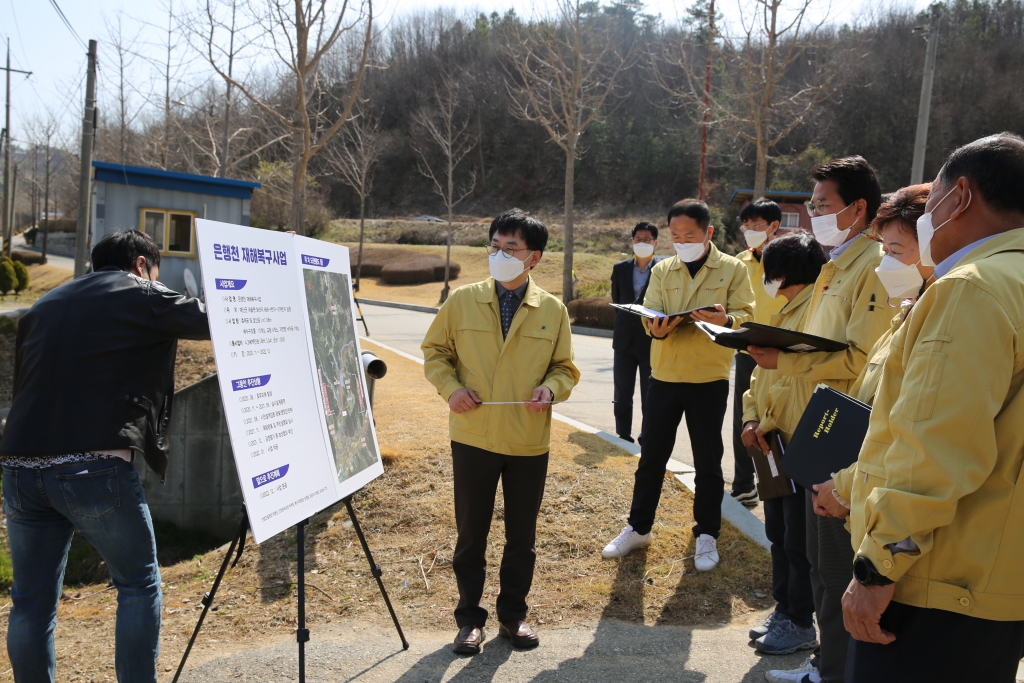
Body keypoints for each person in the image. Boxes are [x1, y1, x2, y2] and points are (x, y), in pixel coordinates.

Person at [825, 134, 1024, 682]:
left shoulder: (970, 289)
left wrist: (876, 567)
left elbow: (934, 446)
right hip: (998, 576)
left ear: (959, 196)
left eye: (931, 197)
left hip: (937, 579)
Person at [0, 230, 210, 683]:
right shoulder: (140, 291)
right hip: (91, 468)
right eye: (155, 273)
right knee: (138, 585)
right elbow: (217, 322)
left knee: (31, 602)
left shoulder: (45, 304)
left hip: (19, 467)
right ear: (141, 265)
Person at [749, 156, 891, 683]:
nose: (814, 214)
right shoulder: (834, 265)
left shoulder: (874, 265)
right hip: (816, 422)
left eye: (823, 205)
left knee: (833, 565)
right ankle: (824, 663)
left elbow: (861, 358)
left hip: (844, 428)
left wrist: (783, 359)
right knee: (815, 558)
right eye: (811, 206)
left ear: (859, 207)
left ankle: (834, 671)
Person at [421, 208, 580, 656]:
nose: (500, 254)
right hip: (473, 435)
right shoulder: (462, 300)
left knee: (521, 537)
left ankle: (514, 614)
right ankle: (469, 619)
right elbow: (435, 353)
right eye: (494, 245)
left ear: (534, 257)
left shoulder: (552, 309)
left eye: (511, 248)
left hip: (529, 439)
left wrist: (551, 388)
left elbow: (565, 368)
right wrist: (450, 390)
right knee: (471, 533)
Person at [601, 198, 754, 571]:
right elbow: (648, 311)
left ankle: (706, 534)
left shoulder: (732, 269)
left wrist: (726, 319)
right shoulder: (663, 269)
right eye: (676, 235)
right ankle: (638, 528)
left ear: (709, 233)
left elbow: (747, 316)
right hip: (664, 377)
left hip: (709, 378)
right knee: (651, 456)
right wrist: (656, 326)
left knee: (708, 460)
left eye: (690, 235)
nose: (682, 241)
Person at [740, 231, 827, 657]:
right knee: (777, 532)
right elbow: (758, 377)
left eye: (769, 274)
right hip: (771, 441)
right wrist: (751, 417)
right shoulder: (781, 312)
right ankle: (784, 609)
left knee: (798, 540)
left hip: (800, 442)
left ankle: (799, 620)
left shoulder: (818, 313)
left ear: (780, 274)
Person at [731, 198, 787, 507]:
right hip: (746, 350)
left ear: (774, 227)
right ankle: (743, 484)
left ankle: (777, 483)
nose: (750, 231)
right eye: (746, 226)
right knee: (744, 419)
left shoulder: (788, 258)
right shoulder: (739, 261)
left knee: (776, 420)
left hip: (781, 352)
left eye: (757, 225)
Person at [610, 222, 663, 443]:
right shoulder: (620, 268)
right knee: (622, 392)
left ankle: (646, 435)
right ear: (632, 242)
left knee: (649, 392)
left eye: (648, 239)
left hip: (650, 339)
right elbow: (616, 299)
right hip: (623, 340)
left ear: (656, 243)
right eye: (638, 239)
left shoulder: (663, 268)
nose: (643, 242)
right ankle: (623, 435)